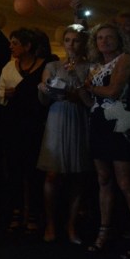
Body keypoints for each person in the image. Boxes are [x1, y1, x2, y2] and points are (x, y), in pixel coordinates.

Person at [80, 23, 130, 259]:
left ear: (119, 39)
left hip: (119, 125)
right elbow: (91, 102)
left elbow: (113, 92)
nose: (104, 41)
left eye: (109, 37)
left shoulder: (124, 60)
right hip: (99, 123)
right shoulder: (96, 66)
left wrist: (90, 86)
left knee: (126, 182)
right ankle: (104, 231)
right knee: (104, 180)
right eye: (100, 38)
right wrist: (80, 87)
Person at [36, 25, 91, 244]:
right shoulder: (53, 65)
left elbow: (90, 100)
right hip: (57, 117)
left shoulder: (90, 66)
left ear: (84, 43)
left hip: (79, 118)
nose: (71, 45)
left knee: (77, 175)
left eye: (76, 40)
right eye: (67, 40)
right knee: (52, 173)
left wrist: (75, 82)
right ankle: (50, 223)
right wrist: (44, 89)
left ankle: (71, 224)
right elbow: (45, 99)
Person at [0, 28, 50, 235]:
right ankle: (17, 211)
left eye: (15, 43)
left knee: (33, 170)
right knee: (14, 169)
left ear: (28, 46)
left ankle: (34, 212)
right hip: (12, 123)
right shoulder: (9, 66)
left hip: (33, 124)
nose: (11, 46)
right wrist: (5, 94)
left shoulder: (44, 65)